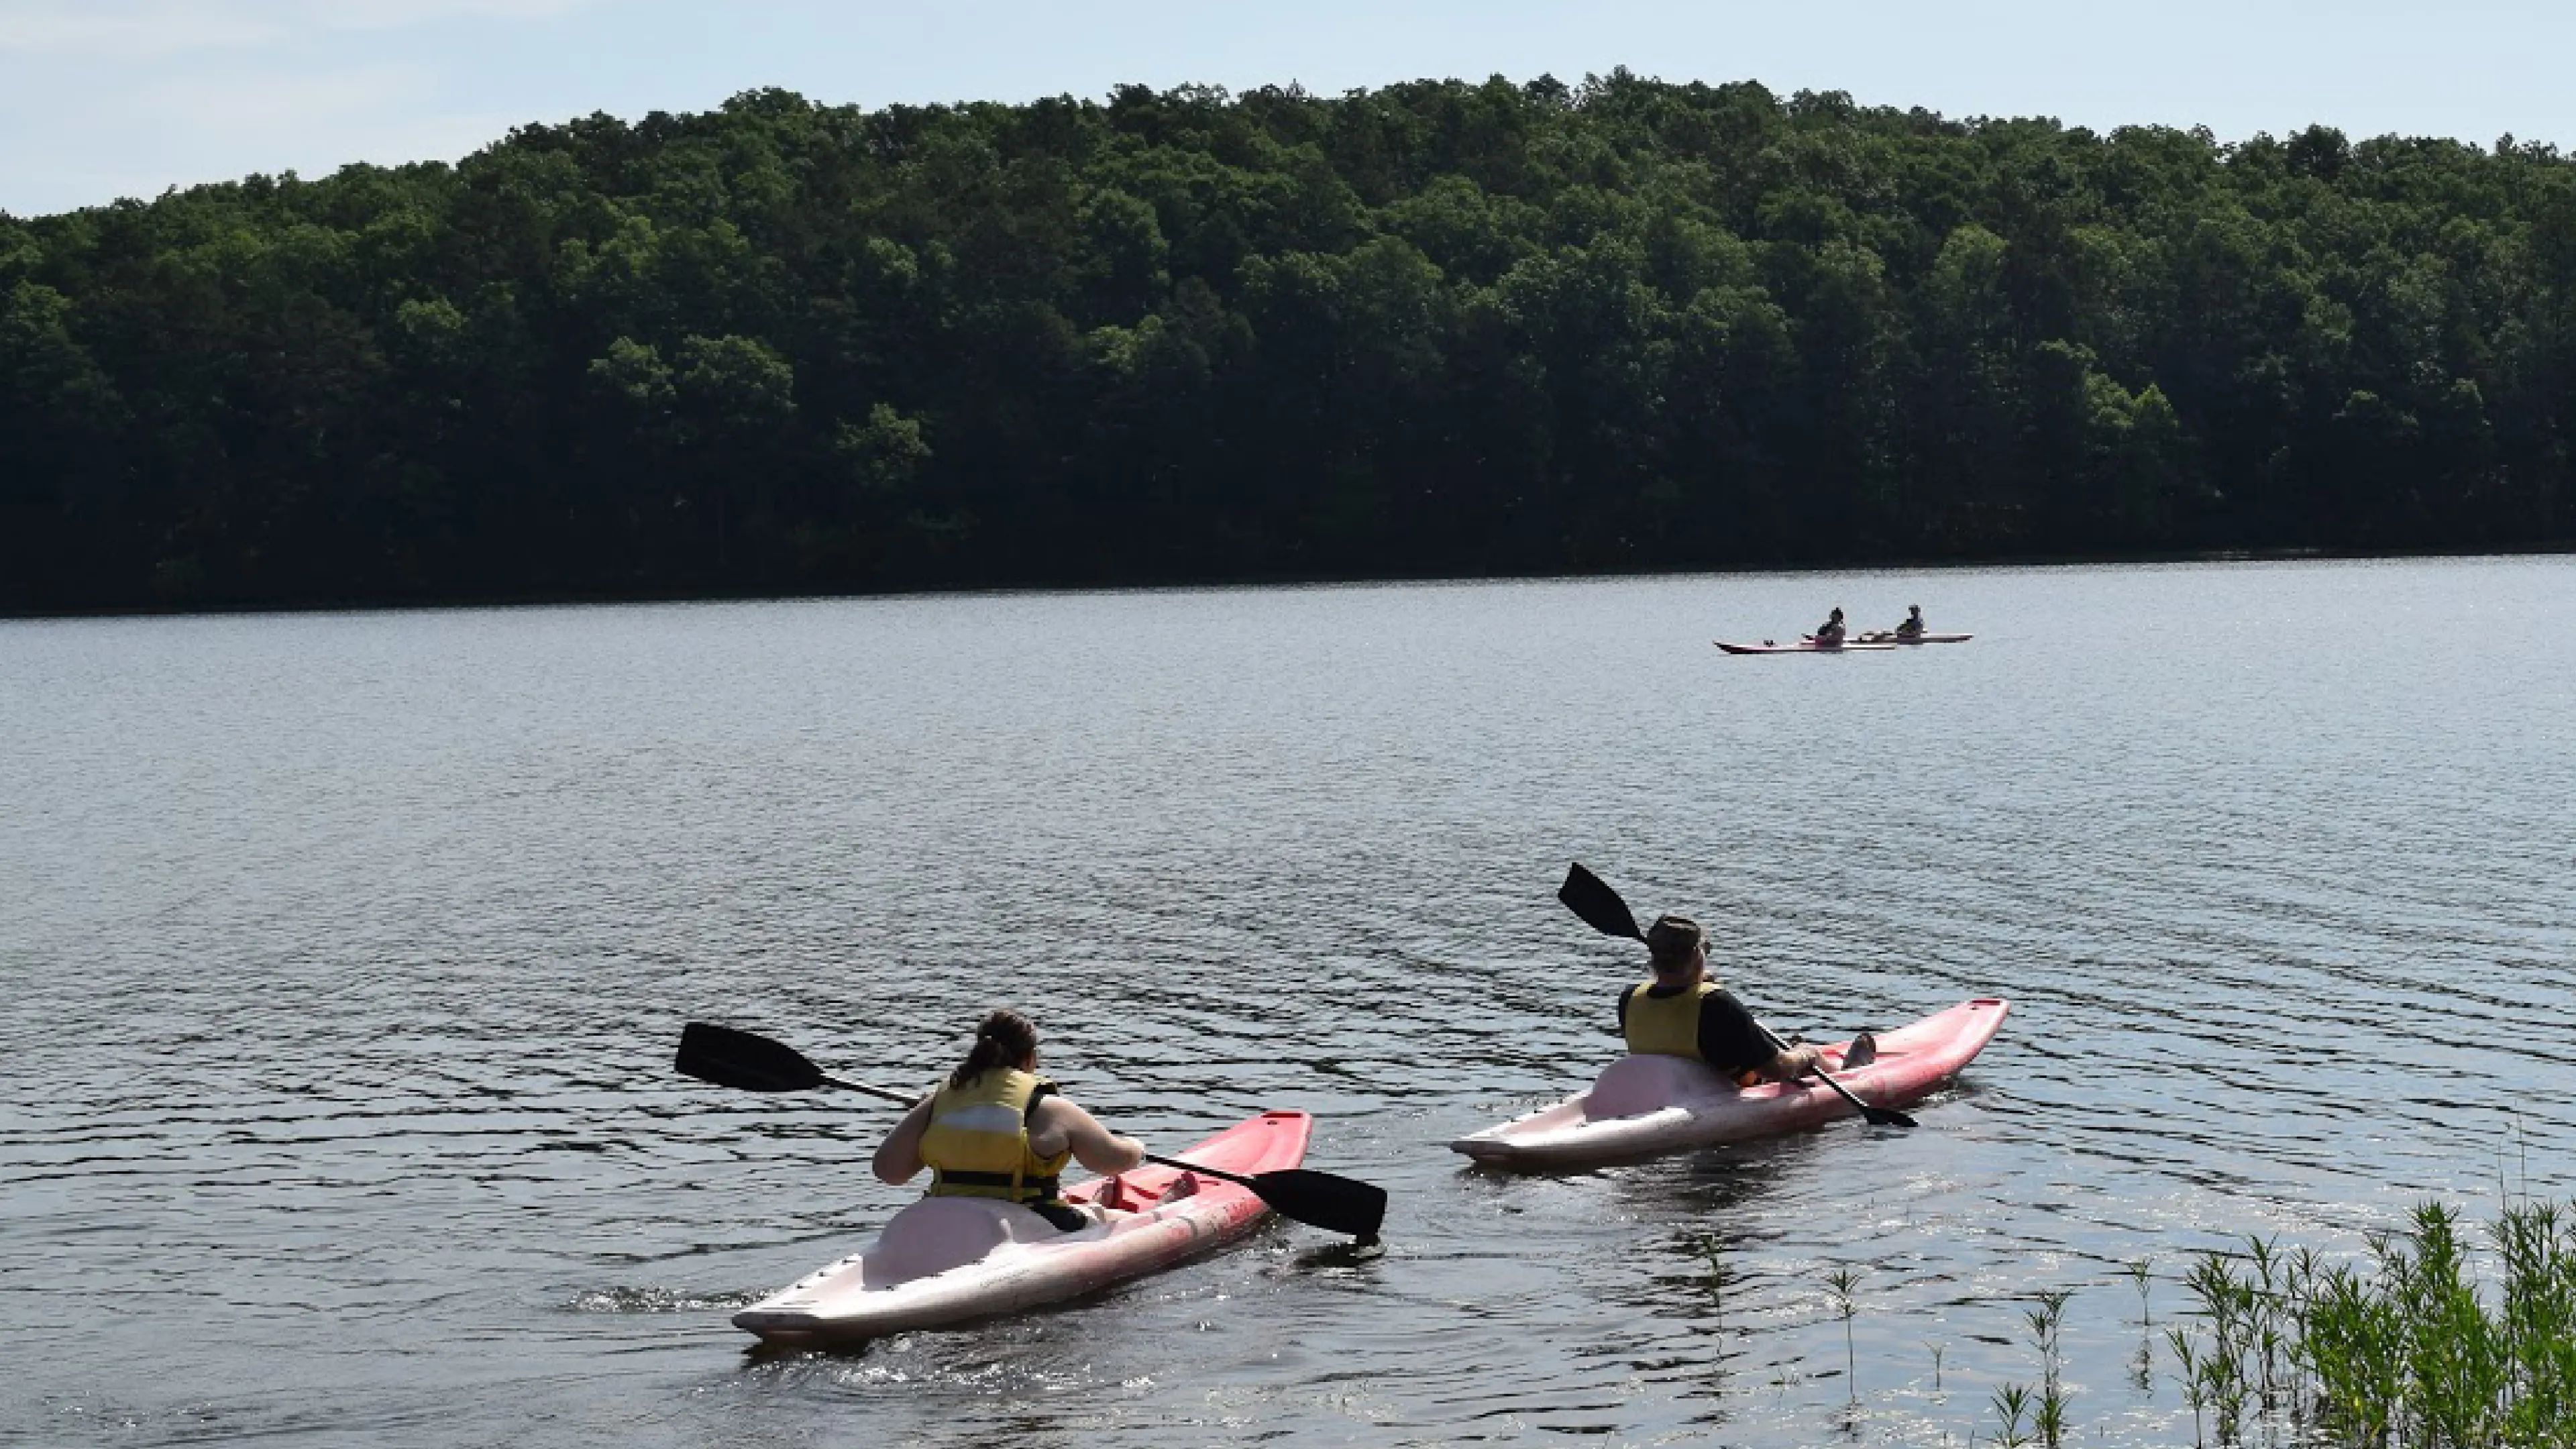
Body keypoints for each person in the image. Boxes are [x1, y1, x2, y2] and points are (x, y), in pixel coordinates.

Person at [872, 1008, 1177, 1231]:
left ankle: (1095, 1204)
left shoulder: (941, 1101)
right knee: (1117, 1224)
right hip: (1024, 1219)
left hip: (942, 1215)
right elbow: (1115, 1163)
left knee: (1087, 1211)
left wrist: (927, 1111)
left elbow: (889, 1171)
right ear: (1030, 1059)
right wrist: (1136, 1146)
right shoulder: (1050, 1108)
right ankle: (1164, 1208)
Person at [1617, 914, 1823, 1087]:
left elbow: (1671, 1004)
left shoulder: (1630, 998)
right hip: (1711, 1095)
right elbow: (1776, 1069)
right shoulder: (1716, 1004)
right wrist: (1805, 1054)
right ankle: (1850, 1062)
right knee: (1811, 1055)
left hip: (1652, 1091)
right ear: (1697, 954)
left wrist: (1696, 984)